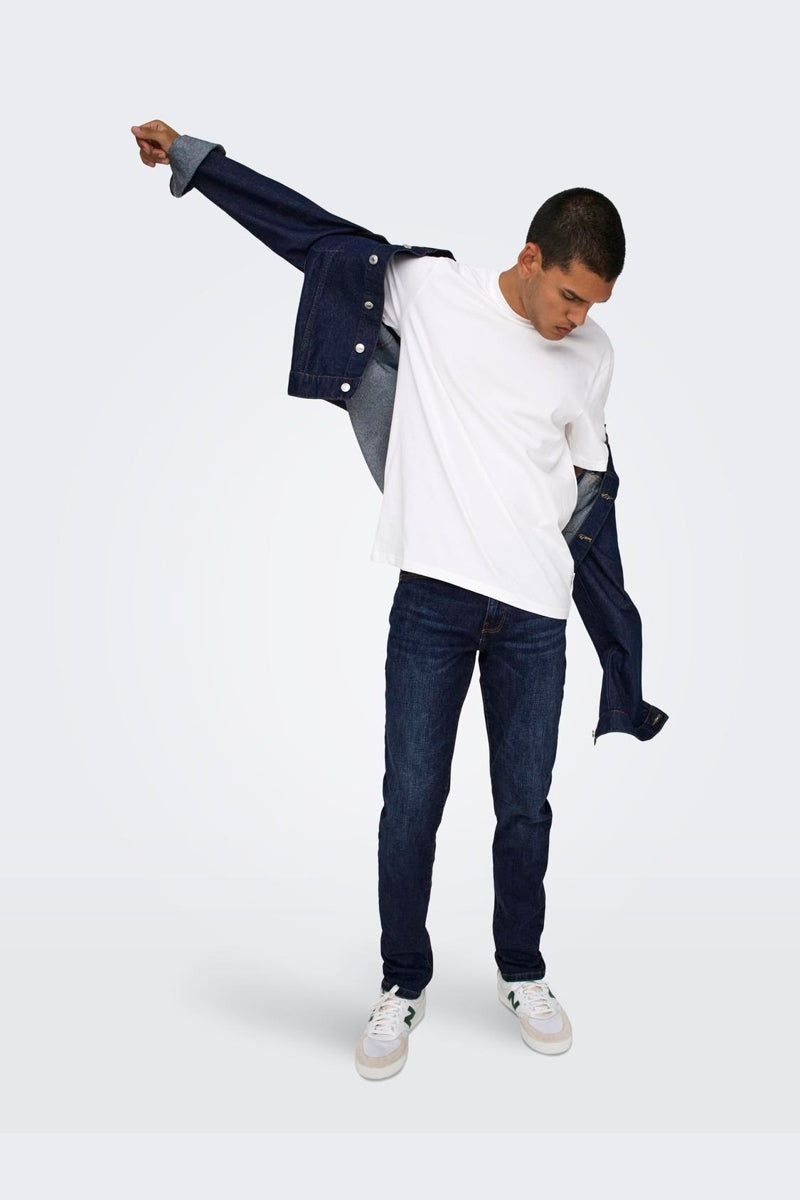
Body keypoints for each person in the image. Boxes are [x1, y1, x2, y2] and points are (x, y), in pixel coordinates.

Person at [131, 120, 665, 1081]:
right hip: (433, 602)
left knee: (526, 808)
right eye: (570, 295)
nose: (578, 318)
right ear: (530, 259)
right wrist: (194, 162)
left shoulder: (593, 356)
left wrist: (617, 636)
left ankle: (522, 969)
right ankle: (402, 982)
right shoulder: (434, 292)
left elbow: (594, 492)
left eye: (594, 305)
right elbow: (308, 232)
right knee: (411, 802)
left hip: (535, 616)